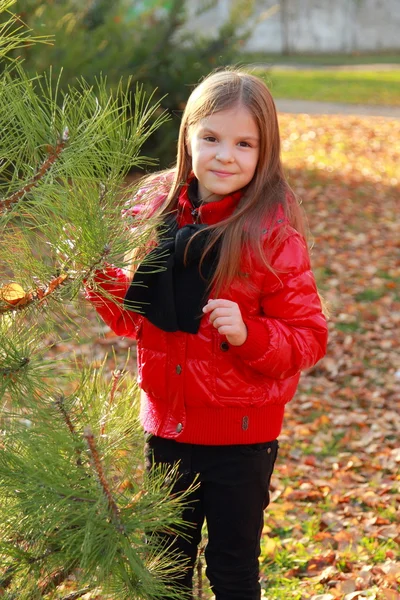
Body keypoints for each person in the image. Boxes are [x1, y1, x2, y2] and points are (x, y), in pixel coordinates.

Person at [85, 68, 328, 600]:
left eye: (244, 143)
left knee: (231, 569)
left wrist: (250, 334)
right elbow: (136, 317)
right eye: (211, 138)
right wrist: (95, 279)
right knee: (166, 571)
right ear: (188, 137)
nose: (224, 155)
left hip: (242, 439)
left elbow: (308, 337)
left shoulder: (272, 231)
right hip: (168, 430)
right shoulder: (155, 213)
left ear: (266, 152)